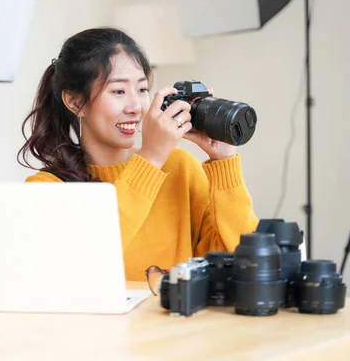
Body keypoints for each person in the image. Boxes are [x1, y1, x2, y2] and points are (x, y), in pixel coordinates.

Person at [17, 27, 259, 281]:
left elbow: (241, 264)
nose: (135, 107)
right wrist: (151, 159)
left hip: (177, 320)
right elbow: (86, 258)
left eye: (142, 90)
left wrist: (225, 162)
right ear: (75, 102)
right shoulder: (47, 188)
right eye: (118, 91)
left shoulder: (179, 167)